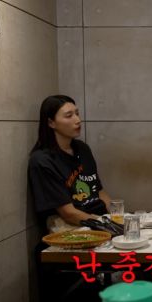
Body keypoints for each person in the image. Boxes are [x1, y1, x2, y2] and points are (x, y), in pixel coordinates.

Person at [28, 95, 111, 231]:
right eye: (69, 116)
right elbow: (68, 214)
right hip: (72, 227)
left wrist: (117, 217)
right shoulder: (42, 161)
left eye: (77, 113)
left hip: (99, 219)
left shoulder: (83, 149)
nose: (78, 120)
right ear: (51, 123)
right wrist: (106, 226)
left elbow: (99, 191)